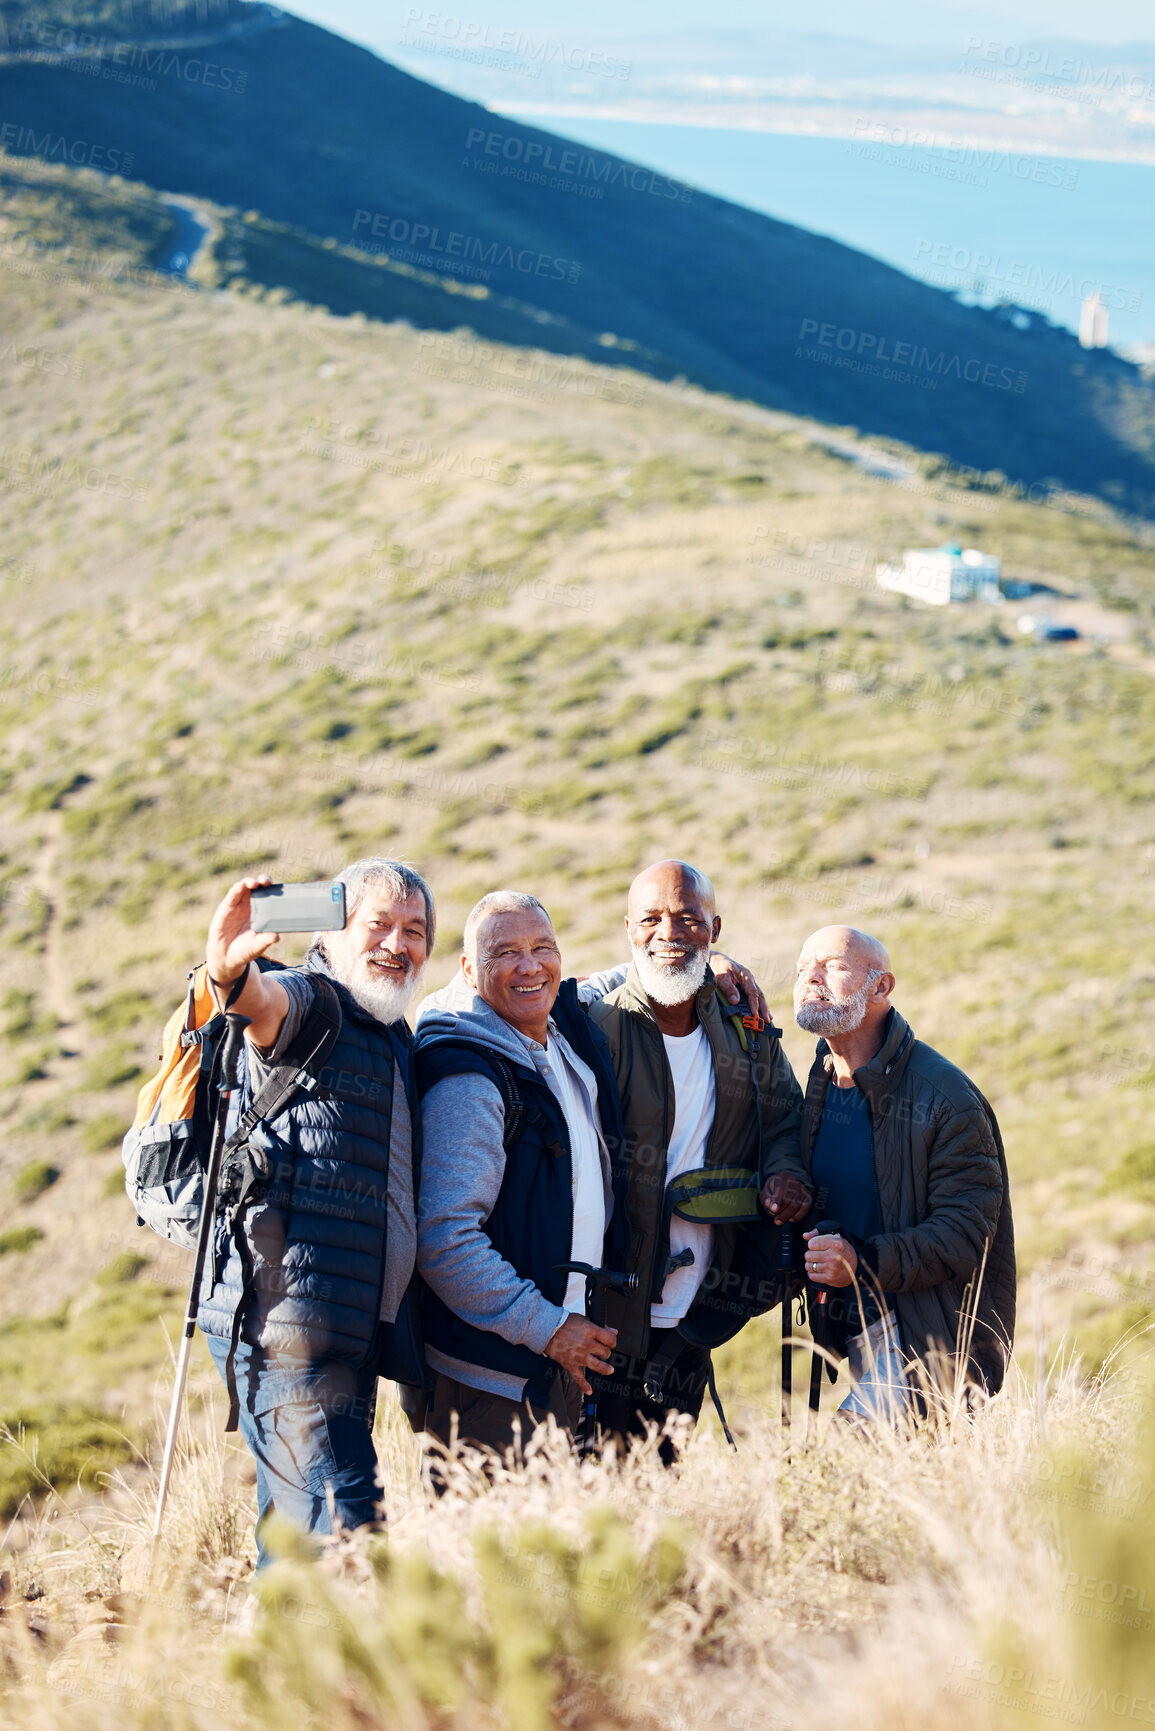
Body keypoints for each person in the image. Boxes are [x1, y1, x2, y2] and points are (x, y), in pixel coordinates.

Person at [195, 857, 432, 1560]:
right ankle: (345, 1670)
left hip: (343, 1335)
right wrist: (229, 974)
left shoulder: (392, 1033)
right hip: (285, 1332)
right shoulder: (313, 1003)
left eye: (414, 929)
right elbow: (260, 1006)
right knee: (345, 1531)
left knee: (298, 1537)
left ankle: (278, 1664)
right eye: (378, 924)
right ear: (330, 935)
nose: (398, 942)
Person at [587, 859, 811, 1452]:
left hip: (699, 1307)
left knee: (662, 1478)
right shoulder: (593, 1022)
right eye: (652, 919)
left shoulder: (746, 1023)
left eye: (688, 920)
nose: (669, 932)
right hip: (604, 1306)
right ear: (628, 927)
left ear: (715, 928)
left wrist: (785, 1170)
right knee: (589, 1484)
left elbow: (787, 1116)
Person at [413, 892, 628, 1467]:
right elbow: (443, 1237)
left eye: (543, 949)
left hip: (547, 1359)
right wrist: (551, 1328)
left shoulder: (558, 1031)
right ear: (467, 970)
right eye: (504, 952)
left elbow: (617, 978)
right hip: (490, 1378)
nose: (530, 966)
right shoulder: (469, 1080)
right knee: (491, 1552)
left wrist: (717, 963)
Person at [788, 925, 1015, 1419]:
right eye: (803, 967)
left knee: (847, 1459)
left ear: (882, 987)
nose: (812, 977)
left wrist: (860, 1260)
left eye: (834, 966)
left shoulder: (945, 1098)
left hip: (933, 1336)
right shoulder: (822, 1084)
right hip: (858, 1331)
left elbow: (964, 1235)